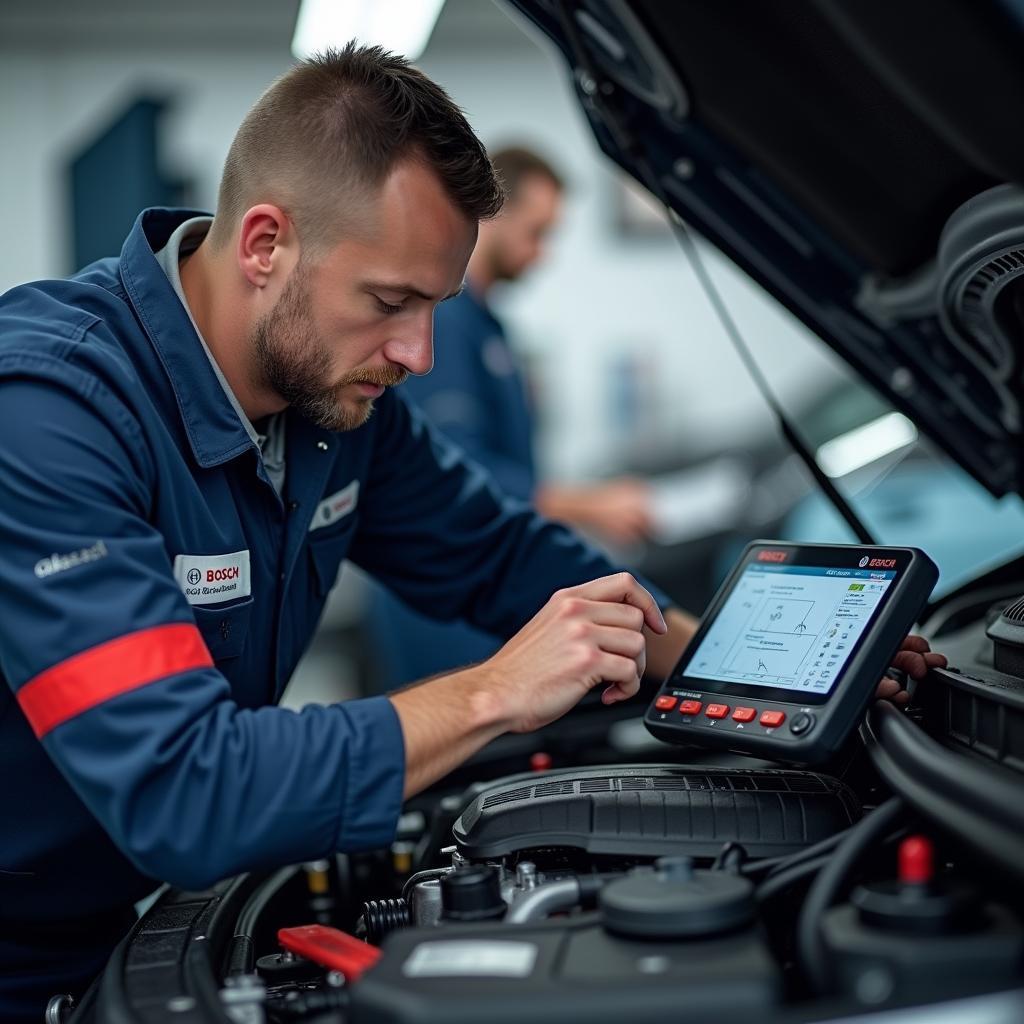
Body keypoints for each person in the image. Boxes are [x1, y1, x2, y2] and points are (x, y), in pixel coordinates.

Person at [0, 46, 941, 1022]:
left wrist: (751, 666)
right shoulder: (49, 411)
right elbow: (184, 790)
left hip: (131, 915)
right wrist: (496, 690)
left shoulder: (333, 403)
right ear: (265, 244)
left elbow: (504, 553)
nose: (415, 352)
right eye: (389, 302)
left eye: (435, 306)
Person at [370, 146, 657, 684]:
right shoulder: (446, 326)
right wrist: (587, 504)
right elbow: (458, 469)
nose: (542, 253)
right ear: (491, 214)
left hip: (483, 579)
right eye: (537, 232)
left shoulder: (490, 327)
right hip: (444, 597)